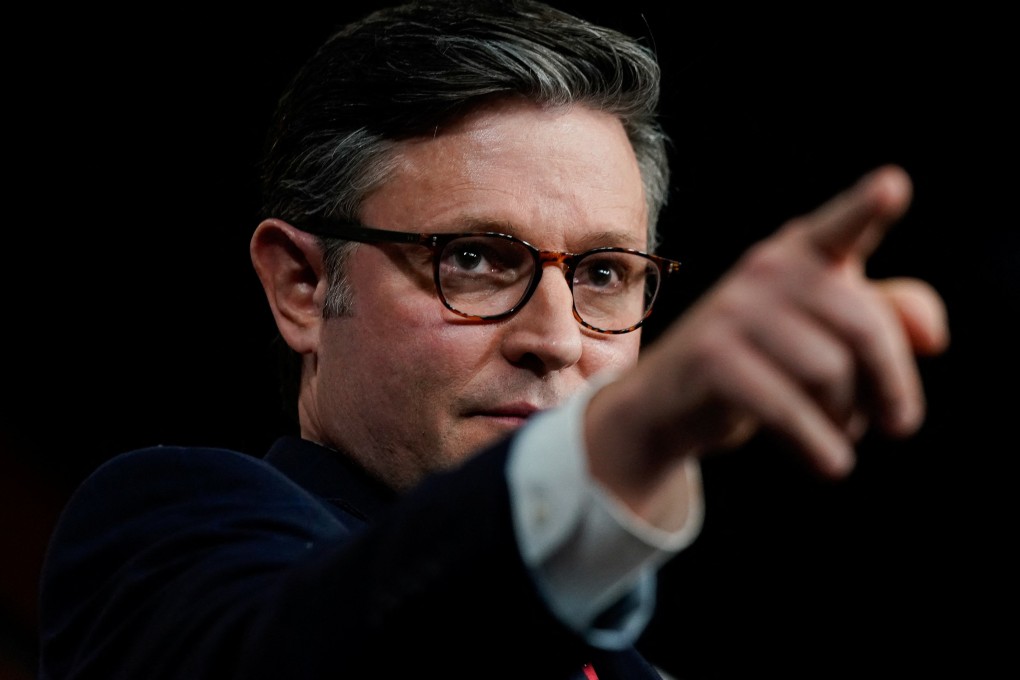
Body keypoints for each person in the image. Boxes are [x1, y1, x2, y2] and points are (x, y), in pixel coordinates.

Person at [37, 1, 949, 678]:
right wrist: (636, 428)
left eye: (602, 274)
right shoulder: (165, 531)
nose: (556, 339)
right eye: (474, 258)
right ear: (303, 286)